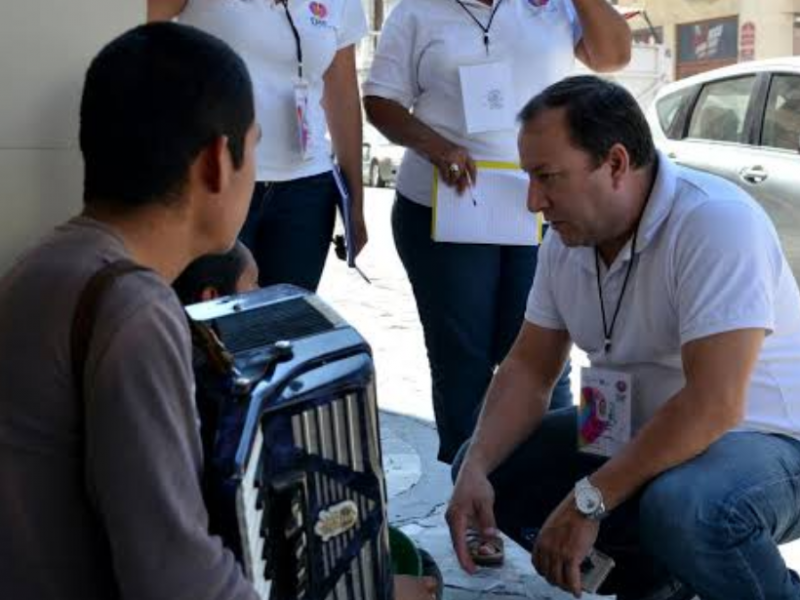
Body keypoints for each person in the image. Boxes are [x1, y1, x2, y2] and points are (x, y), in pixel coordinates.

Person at [446, 75, 800, 600]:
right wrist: (475, 466)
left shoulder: (714, 221)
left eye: (547, 177)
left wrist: (589, 499)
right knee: (489, 466)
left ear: (614, 163)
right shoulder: (567, 240)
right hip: (634, 425)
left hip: (762, 438)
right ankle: (659, 583)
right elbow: (529, 368)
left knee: (687, 509)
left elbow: (714, 405)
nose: (532, 201)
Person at [0, 22, 261, 600]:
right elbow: (178, 579)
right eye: (255, 147)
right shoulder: (135, 311)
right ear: (217, 162)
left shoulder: (45, 264)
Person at [362, 0, 632, 475]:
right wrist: (438, 147)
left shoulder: (554, 8)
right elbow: (380, 101)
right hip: (446, 209)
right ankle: (472, 493)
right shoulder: (417, 12)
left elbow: (613, 57)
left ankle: (550, 491)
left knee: (547, 358)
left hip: (543, 208)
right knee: (463, 360)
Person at [149, 0, 369, 292]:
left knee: (285, 324)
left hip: (307, 190)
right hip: (216, 180)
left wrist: (355, 201)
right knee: (214, 321)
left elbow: (342, 92)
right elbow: (129, 32)